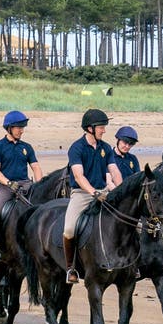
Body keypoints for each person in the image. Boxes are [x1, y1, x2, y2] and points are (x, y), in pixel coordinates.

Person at [61, 109, 121, 283]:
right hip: (82, 194)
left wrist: (120, 189)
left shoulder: (105, 148)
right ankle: (70, 268)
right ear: (90, 128)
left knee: (131, 220)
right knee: (70, 229)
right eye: (101, 127)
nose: (104, 130)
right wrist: (93, 192)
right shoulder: (76, 148)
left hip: (104, 192)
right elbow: (79, 177)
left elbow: (114, 170)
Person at [0, 110, 43, 262]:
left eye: (22, 127)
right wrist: (8, 183)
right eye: (18, 127)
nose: (21, 130)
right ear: (9, 128)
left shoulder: (27, 147)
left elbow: (36, 168)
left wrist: (38, 184)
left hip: (26, 184)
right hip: (6, 186)